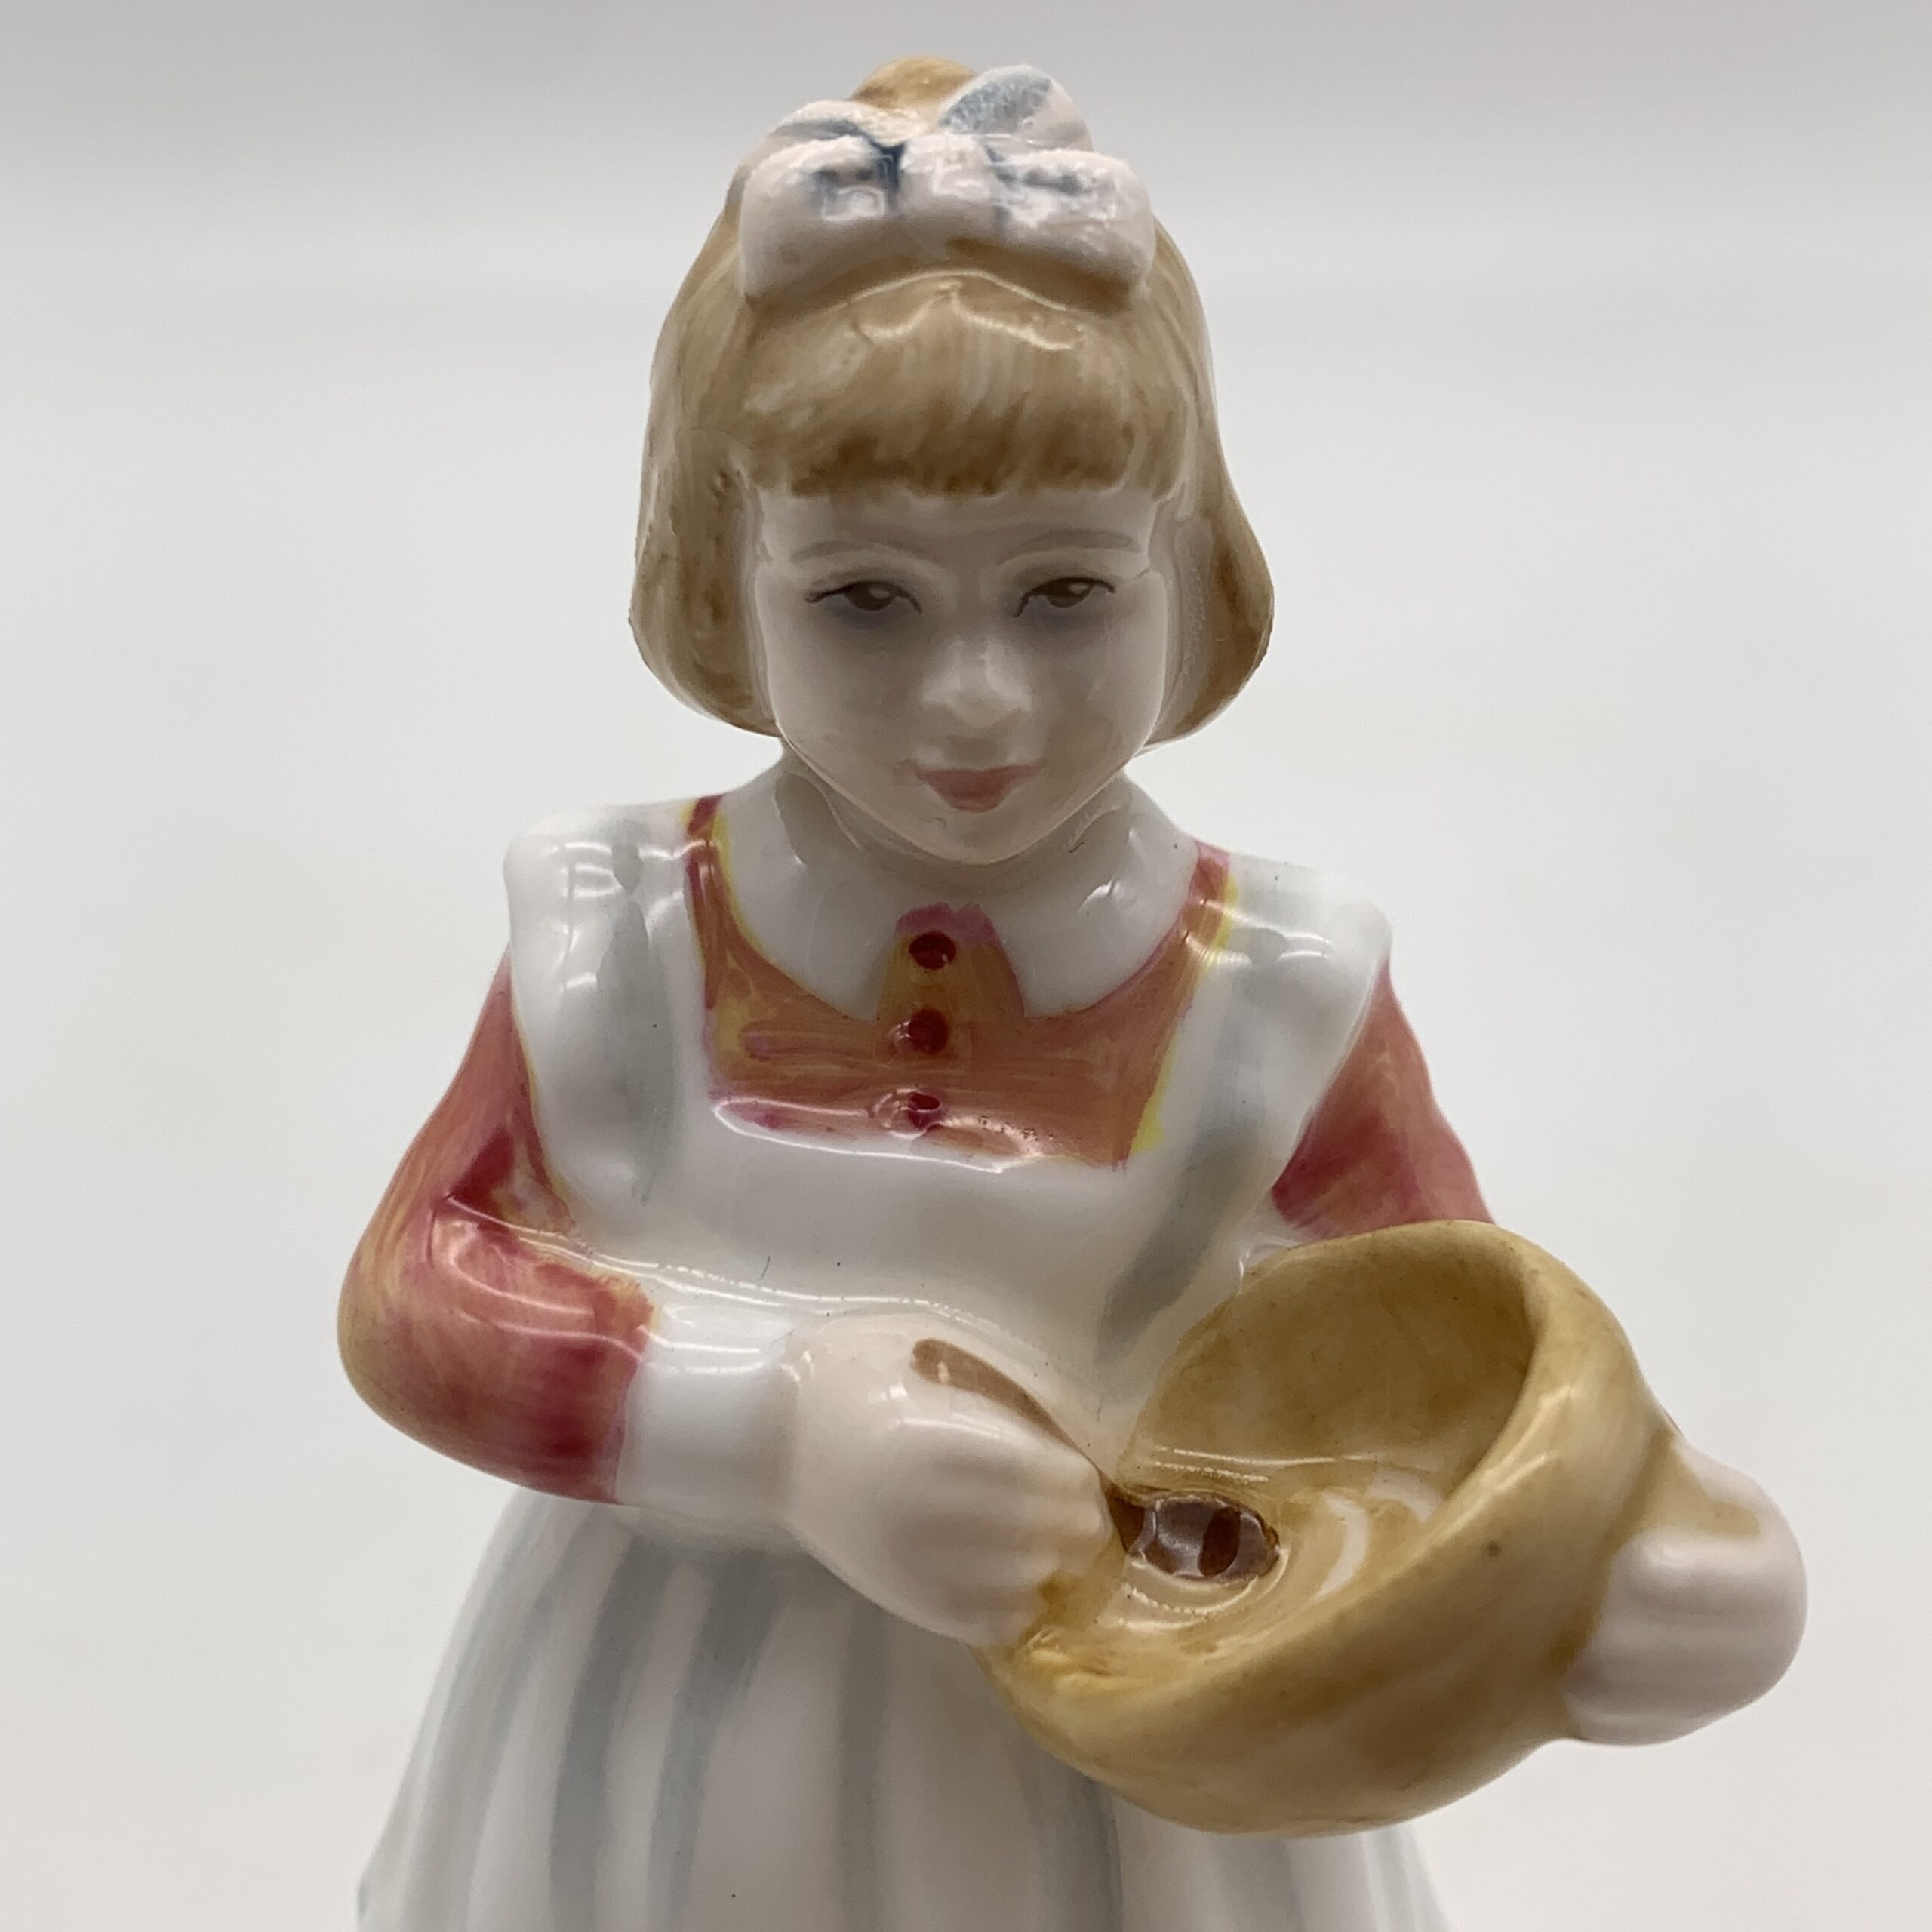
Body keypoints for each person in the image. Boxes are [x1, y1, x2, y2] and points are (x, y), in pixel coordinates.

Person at [341, 56, 1803, 1932]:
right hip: (662, 1754)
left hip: (1129, 1789)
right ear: (728, 574)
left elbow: (1448, 1369)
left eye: (1063, 595)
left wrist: (1614, 1557)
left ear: (1185, 567)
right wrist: (772, 1423)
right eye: (863, 600)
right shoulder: (612, 935)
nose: (976, 698)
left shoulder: (1276, 990)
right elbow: (419, 1288)